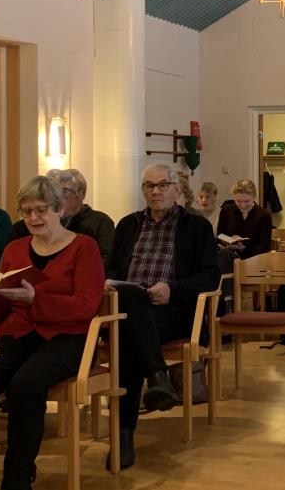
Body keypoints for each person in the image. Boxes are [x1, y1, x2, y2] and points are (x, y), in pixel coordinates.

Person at [0, 177, 105, 490]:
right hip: (18, 335)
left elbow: (86, 306)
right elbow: (0, 316)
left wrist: (37, 299)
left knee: (26, 384)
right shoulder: (15, 249)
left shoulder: (83, 247)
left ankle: (18, 477)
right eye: (26, 212)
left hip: (66, 338)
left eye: (41, 210)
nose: (33, 218)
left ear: (60, 209)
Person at [107, 163, 221, 469]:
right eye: (149, 186)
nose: (155, 192)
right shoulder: (127, 225)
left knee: (128, 343)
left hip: (172, 310)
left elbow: (211, 276)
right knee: (130, 314)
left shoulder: (195, 227)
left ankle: (123, 434)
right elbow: (112, 268)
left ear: (176, 189)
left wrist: (173, 289)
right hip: (127, 305)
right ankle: (157, 376)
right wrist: (109, 282)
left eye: (162, 185)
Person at [8, 169, 114, 272]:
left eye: (65, 192)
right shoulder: (16, 242)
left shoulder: (90, 235)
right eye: (27, 211)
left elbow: (106, 265)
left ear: (81, 195)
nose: (33, 217)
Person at [216, 178, 273, 258]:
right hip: (228, 255)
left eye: (247, 201)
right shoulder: (226, 210)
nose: (243, 205)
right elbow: (219, 236)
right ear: (234, 197)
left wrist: (243, 248)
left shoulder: (264, 215)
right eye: (238, 201)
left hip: (254, 258)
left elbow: (264, 247)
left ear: (254, 197)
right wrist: (228, 242)